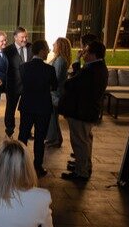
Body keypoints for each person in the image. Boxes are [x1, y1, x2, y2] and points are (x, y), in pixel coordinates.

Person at [59, 41, 109, 181]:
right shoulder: (99, 67)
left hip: (81, 112)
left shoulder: (91, 70)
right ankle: (85, 167)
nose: (83, 54)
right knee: (85, 141)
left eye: (86, 52)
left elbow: (71, 84)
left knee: (80, 142)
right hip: (88, 111)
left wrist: (75, 65)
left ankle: (81, 172)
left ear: (93, 55)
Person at [18, 40, 57, 177]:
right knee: (40, 138)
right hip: (43, 107)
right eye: (46, 50)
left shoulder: (23, 67)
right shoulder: (49, 69)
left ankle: (19, 165)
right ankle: (37, 166)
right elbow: (55, 86)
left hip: (27, 106)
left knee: (22, 136)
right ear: (41, 51)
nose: (48, 52)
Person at [3, 27, 31, 138]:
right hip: (13, 86)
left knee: (26, 109)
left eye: (26, 37)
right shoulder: (8, 50)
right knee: (10, 109)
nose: (24, 39)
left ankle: (26, 130)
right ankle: (9, 129)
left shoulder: (31, 48)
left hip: (28, 86)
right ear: (15, 37)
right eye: (22, 37)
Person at [45, 37, 72, 148]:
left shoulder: (60, 60)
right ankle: (56, 139)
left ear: (60, 46)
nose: (53, 44)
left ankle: (53, 139)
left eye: (55, 43)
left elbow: (55, 78)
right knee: (53, 117)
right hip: (56, 92)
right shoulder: (60, 59)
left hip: (55, 94)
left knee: (52, 117)